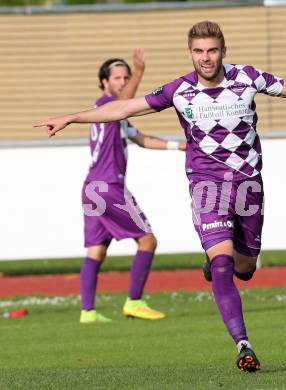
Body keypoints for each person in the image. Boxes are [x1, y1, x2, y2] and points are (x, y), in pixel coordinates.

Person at [35, 22, 286, 369]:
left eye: (212, 50)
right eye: (198, 51)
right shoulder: (179, 89)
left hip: (248, 185)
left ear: (223, 50)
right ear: (190, 53)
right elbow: (124, 108)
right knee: (223, 266)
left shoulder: (247, 78)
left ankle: (223, 263)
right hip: (207, 185)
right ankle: (243, 344)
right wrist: (72, 116)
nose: (205, 57)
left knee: (246, 268)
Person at [67, 49, 185, 324]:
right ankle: (134, 301)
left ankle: (88, 312)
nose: (123, 81)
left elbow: (141, 139)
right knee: (148, 240)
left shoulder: (114, 117)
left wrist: (180, 146)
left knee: (97, 250)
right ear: (104, 83)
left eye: (126, 77)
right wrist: (140, 72)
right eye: (118, 77)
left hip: (92, 187)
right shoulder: (106, 105)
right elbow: (123, 101)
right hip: (109, 187)